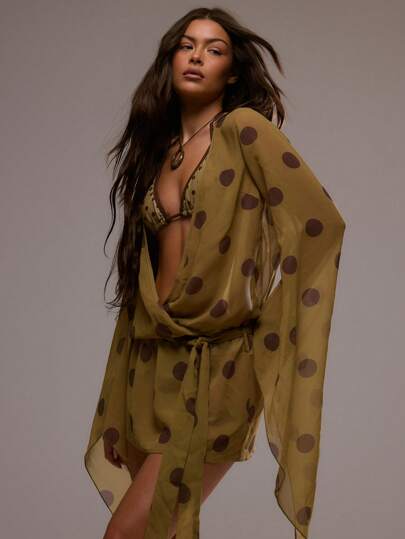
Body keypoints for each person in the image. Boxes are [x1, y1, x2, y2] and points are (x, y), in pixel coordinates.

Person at [84, 7, 346, 539]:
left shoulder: (244, 130)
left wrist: (265, 327)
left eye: (214, 49)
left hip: (218, 367)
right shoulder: (158, 150)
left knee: (127, 534)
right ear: (170, 60)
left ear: (232, 72)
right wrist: (115, 407)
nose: (197, 56)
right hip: (152, 365)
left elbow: (320, 225)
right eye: (187, 45)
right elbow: (138, 289)